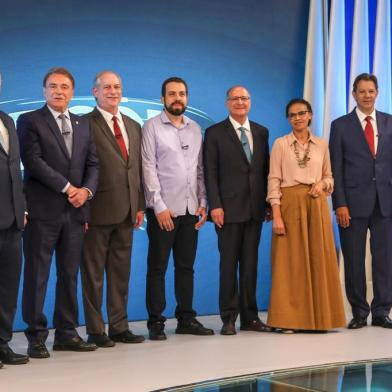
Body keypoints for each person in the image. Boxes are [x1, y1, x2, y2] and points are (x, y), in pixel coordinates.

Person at [17, 67, 99, 358]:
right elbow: (33, 162)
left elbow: (93, 165)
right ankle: (36, 336)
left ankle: (66, 332)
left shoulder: (83, 124)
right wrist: (68, 188)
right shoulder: (29, 121)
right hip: (42, 212)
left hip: (76, 213)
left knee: (69, 274)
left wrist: (86, 192)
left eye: (64, 87)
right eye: (52, 86)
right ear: (44, 91)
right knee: (37, 275)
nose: (58, 91)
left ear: (72, 92)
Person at [142, 76, 213, 340]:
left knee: (186, 267)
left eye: (182, 94)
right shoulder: (152, 127)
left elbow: (199, 169)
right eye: (172, 94)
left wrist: (203, 202)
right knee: (158, 267)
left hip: (190, 208)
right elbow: (148, 167)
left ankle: (186, 318)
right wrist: (158, 206)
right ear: (162, 99)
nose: (177, 98)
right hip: (164, 211)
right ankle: (156, 323)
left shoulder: (195, 128)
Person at [267, 98, 346, 332]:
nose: (297, 118)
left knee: (319, 259)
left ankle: (322, 318)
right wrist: (277, 215)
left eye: (302, 113)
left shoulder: (322, 144)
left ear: (310, 115)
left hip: (316, 204)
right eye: (292, 115)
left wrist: (322, 184)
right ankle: (289, 320)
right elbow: (273, 180)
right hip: (290, 203)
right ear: (288, 119)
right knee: (290, 263)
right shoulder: (280, 144)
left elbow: (330, 175)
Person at [81, 71, 145, 347]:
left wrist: (139, 205)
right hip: (96, 211)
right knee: (93, 274)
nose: (112, 91)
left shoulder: (133, 124)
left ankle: (119, 326)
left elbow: (137, 169)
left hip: (127, 211)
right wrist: (82, 210)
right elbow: (79, 167)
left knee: (121, 274)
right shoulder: (84, 123)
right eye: (106, 87)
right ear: (95, 92)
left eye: (117, 86)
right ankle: (96, 330)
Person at [204, 86, 271, 335]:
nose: (240, 102)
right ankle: (229, 318)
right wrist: (216, 205)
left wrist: (267, 204)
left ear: (250, 102)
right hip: (228, 210)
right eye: (235, 98)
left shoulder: (262, 132)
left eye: (244, 98)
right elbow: (209, 172)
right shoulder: (214, 133)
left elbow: (265, 171)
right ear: (227, 103)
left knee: (251, 265)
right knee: (229, 265)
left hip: (255, 209)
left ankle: (251, 317)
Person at [329, 73, 392, 329]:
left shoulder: (389, 122)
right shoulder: (340, 125)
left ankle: (381, 311)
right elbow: (336, 168)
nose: (367, 95)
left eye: (371, 91)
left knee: (385, 260)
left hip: (385, 203)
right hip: (352, 204)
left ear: (377, 93)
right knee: (353, 259)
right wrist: (340, 203)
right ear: (353, 94)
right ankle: (358, 312)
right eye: (362, 91)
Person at [0, 73, 29, 367]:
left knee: (8, 286)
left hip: (12, 220)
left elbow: (14, 170)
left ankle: (2, 343)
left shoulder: (8, 120)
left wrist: (22, 207)